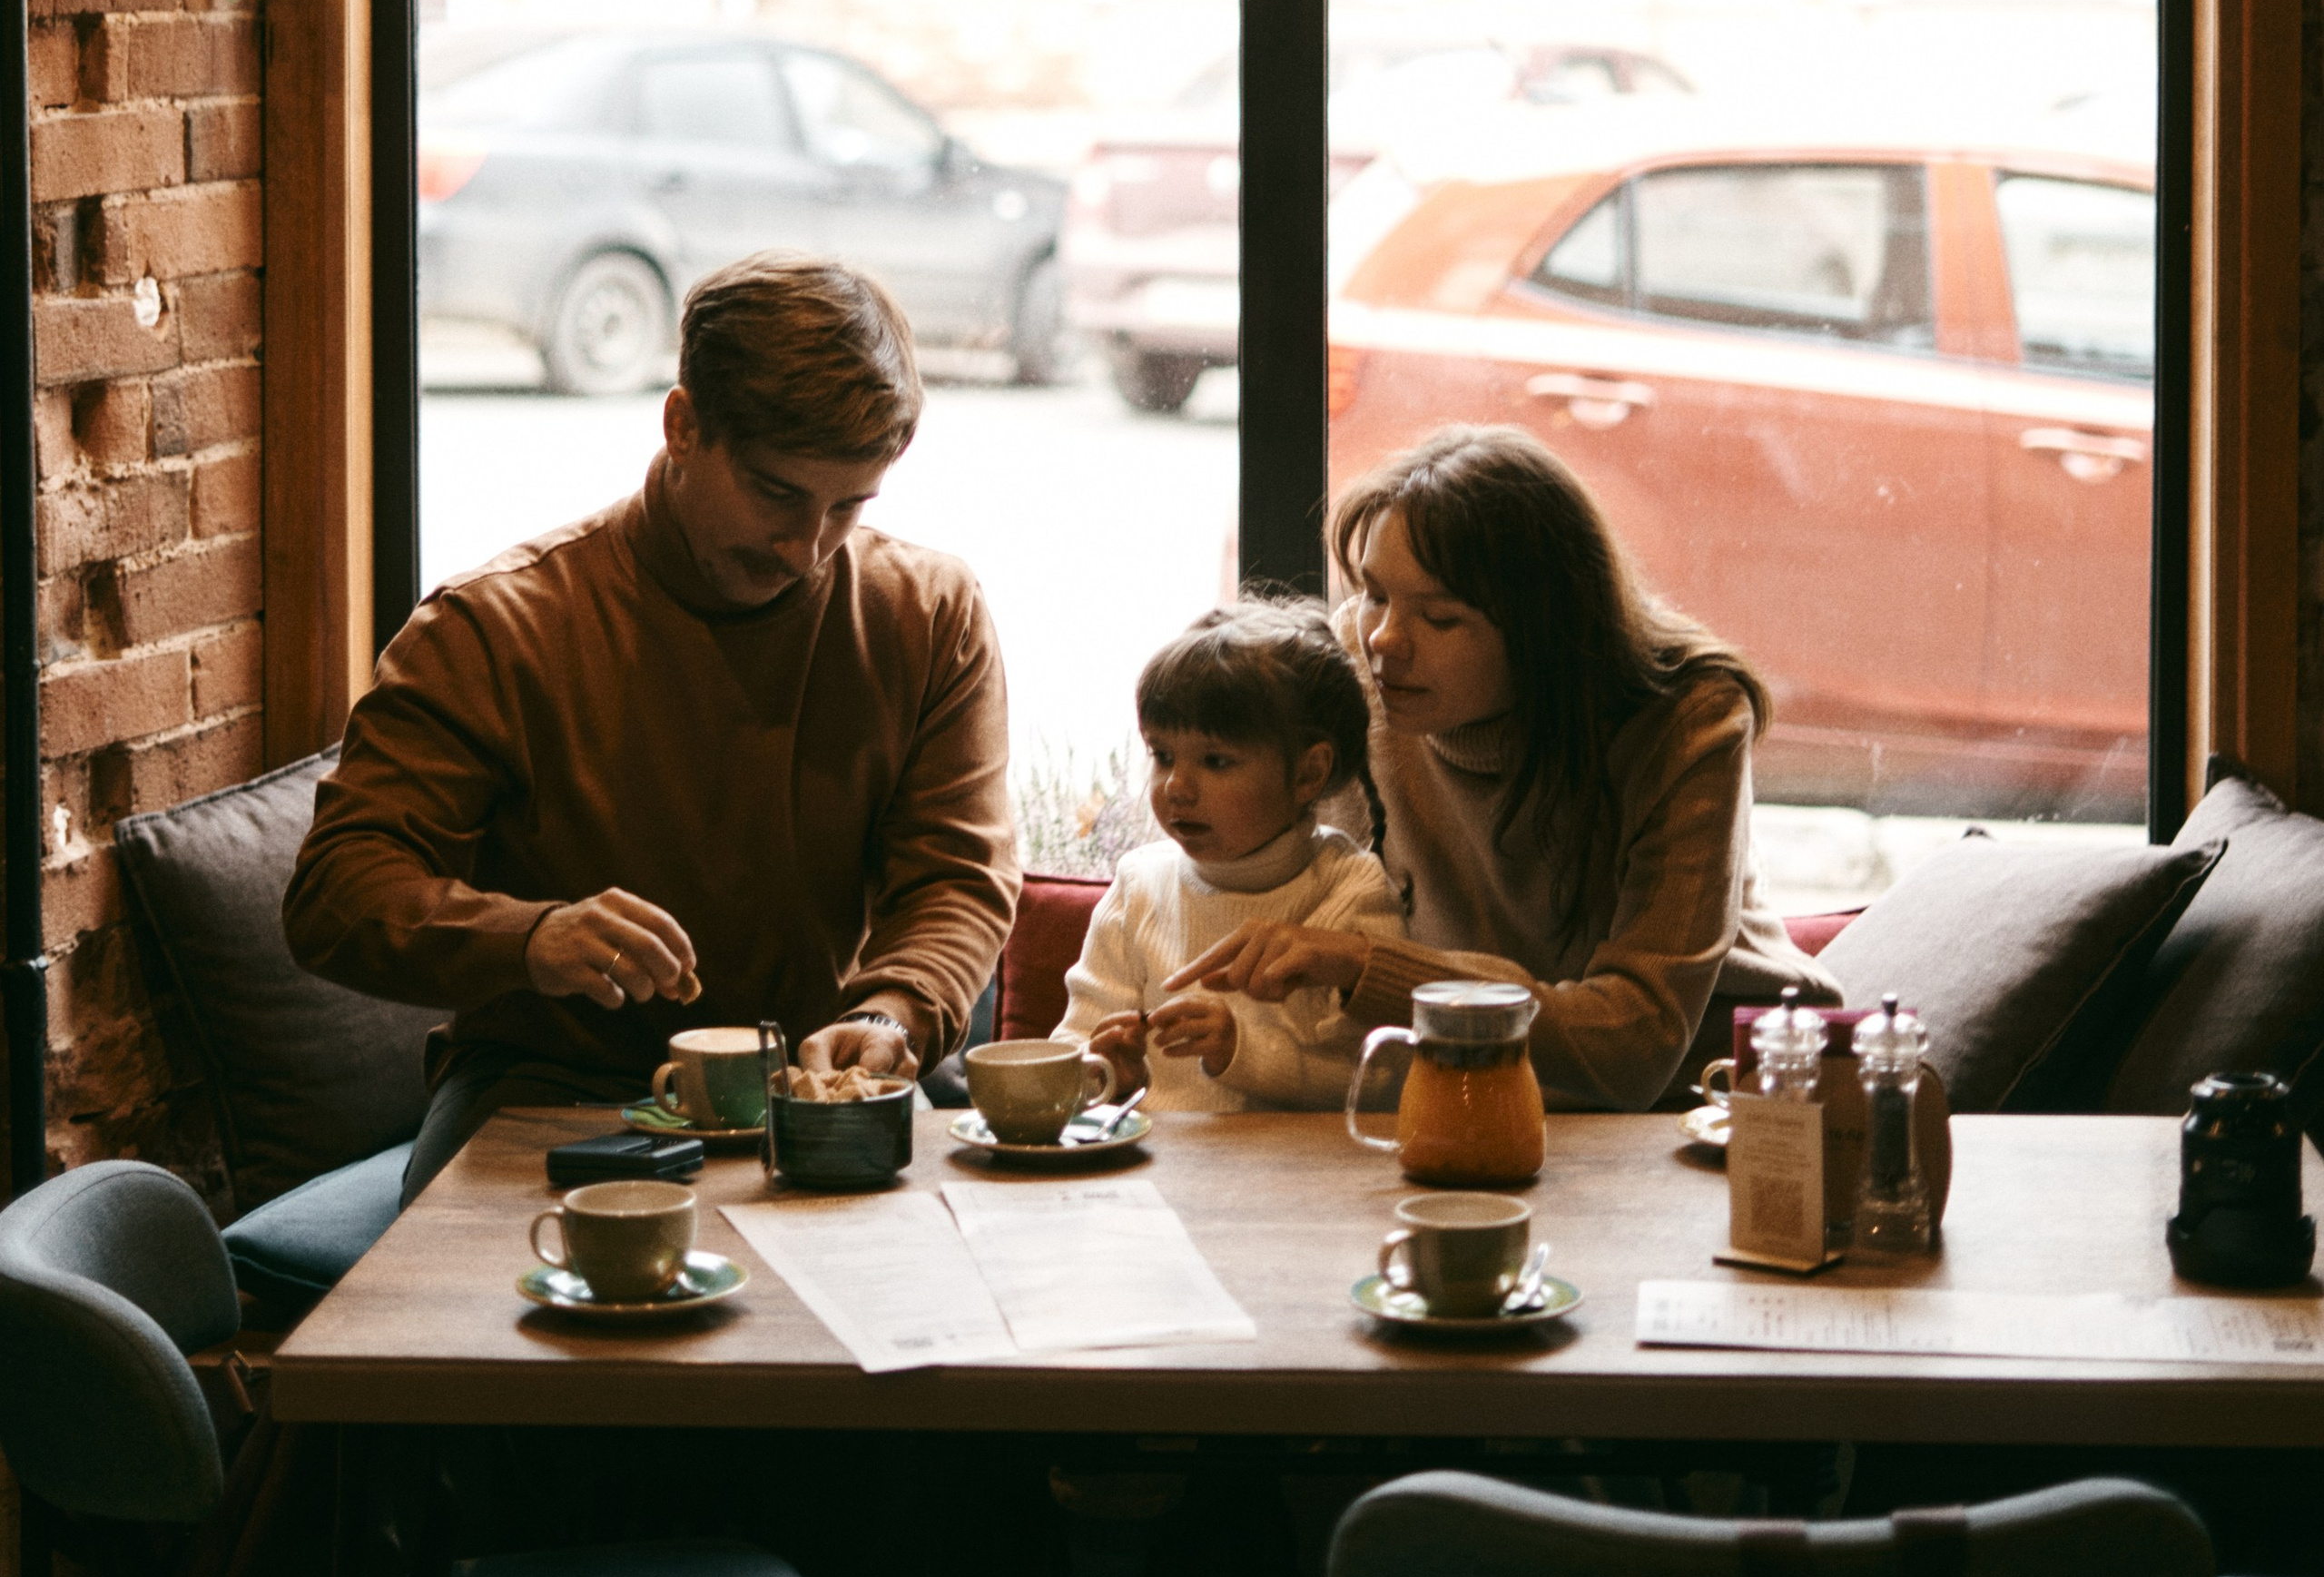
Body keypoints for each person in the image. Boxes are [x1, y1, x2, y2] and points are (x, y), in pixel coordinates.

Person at [286, 255, 1019, 1199]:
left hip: (823, 1077)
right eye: (776, 493)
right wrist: (531, 936)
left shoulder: (927, 613)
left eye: (849, 505)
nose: (807, 550)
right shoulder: (496, 627)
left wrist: (892, 1014)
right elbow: (336, 894)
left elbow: (957, 878)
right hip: (553, 1083)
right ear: (681, 425)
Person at [1169, 426, 1826, 1109]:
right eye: (1374, 592)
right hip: (1466, 1078)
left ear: (1547, 631)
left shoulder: (1687, 718)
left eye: (1441, 618)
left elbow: (1638, 1044)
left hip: (1709, 1095)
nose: (1384, 639)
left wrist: (1368, 966)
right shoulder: (1354, 668)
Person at [1059, 596, 1404, 1112]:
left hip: (1297, 1181)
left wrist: (1240, 1051)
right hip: (1152, 1180)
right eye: (1163, 755)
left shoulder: (1352, 893)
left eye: (1216, 760)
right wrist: (1104, 1069)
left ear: (1308, 774)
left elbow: (1379, 1083)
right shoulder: (1138, 886)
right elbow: (1069, 1049)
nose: (1176, 786)